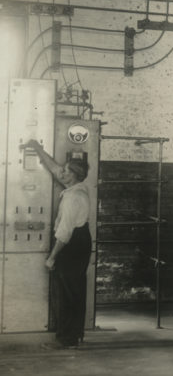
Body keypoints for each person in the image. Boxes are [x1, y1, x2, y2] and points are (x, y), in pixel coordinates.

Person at [24, 139, 92, 349]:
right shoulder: (77, 187)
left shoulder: (73, 198)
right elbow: (54, 169)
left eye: (66, 171)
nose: (61, 173)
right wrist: (37, 148)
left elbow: (64, 233)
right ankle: (74, 336)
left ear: (74, 176)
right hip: (79, 241)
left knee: (67, 293)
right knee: (74, 290)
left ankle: (66, 340)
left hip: (72, 245)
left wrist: (52, 257)